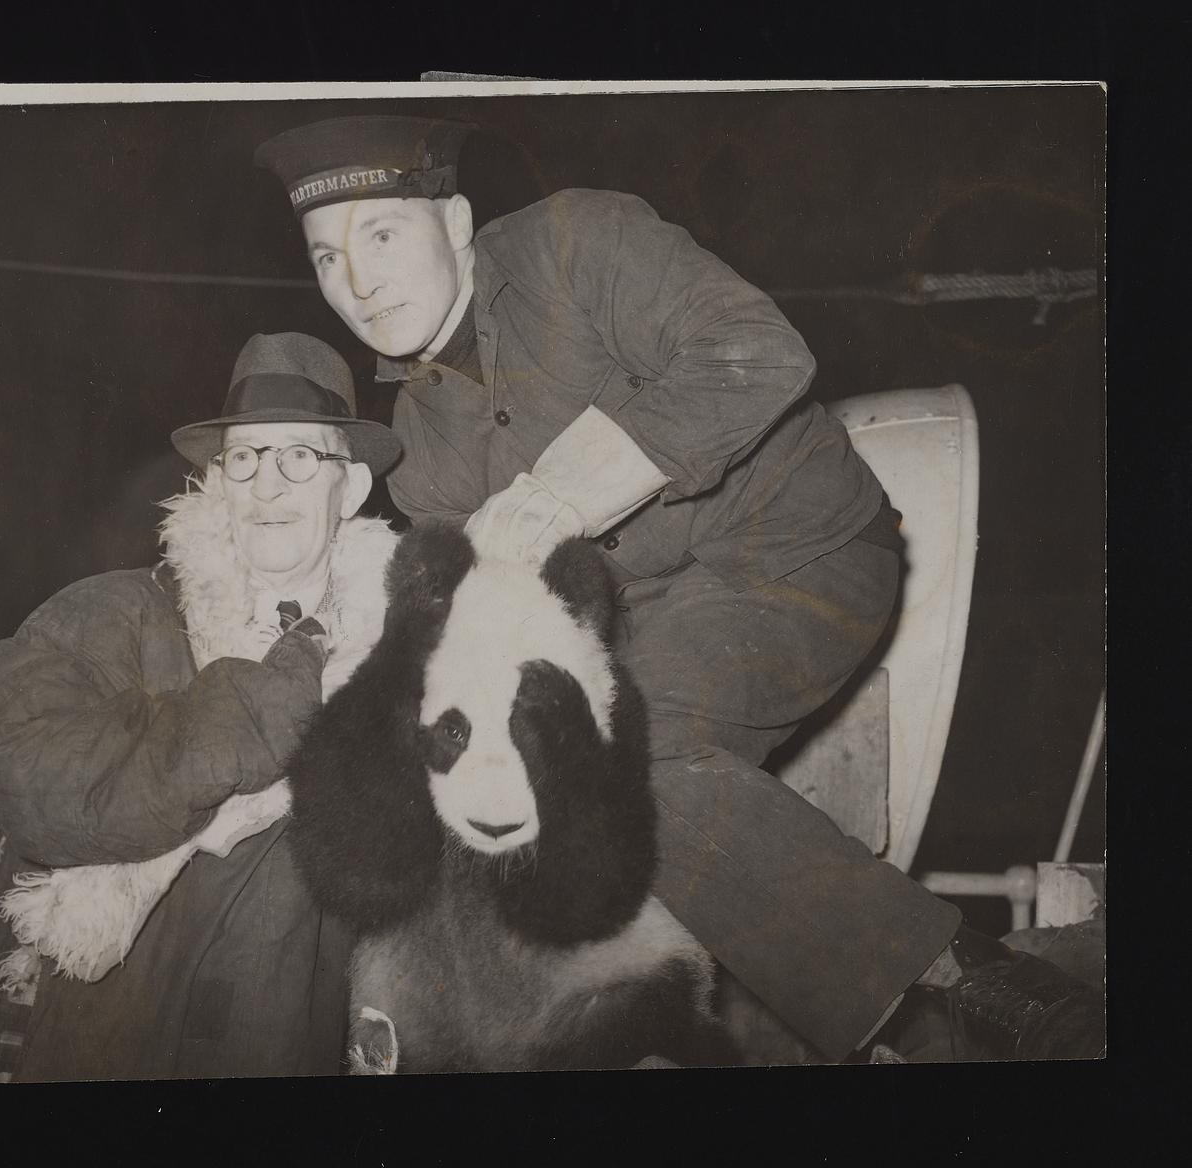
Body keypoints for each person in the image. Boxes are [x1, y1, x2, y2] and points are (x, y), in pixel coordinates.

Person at [253, 114, 1105, 1062]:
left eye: (381, 235)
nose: (359, 283)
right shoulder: (419, 455)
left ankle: (975, 985)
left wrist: (560, 490)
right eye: (328, 258)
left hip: (801, 550)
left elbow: (760, 351)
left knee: (627, 753)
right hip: (647, 614)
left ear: (453, 222)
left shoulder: (579, 243)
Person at [0, 332, 402, 1082]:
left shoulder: (400, 661)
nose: (267, 485)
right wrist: (253, 712)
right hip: (85, 1046)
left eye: (298, 457)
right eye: (244, 459)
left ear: (349, 490)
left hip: (273, 1045)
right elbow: (15, 764)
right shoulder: (112, 611)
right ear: (216, 482)